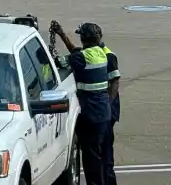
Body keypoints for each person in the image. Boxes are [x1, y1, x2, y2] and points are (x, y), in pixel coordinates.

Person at [50, 21, 120, 185]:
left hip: (94, 114)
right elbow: (78, 53)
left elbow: (64, 61)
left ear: (83, 38)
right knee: (104, 158)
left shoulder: (97, 56)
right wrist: (61, 35)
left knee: (93, 162)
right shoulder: (101, 53)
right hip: (104, 112)